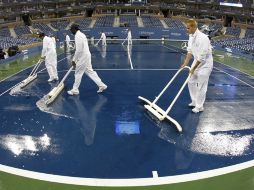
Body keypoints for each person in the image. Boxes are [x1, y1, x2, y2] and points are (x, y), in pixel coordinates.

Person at [181, 19, 213, 113]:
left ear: (194, 27)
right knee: (190, 81)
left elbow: (202, 58)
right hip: (196, 60)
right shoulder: (191, 36)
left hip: (205, 64)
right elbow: (190, 51)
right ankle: (194, 102)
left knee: (201, 85)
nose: (187, 29)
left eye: (188, 28)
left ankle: (199, 107)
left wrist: (193, 69)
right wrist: (185, 63)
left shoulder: (203, 38)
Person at [68, 24, 107, 95]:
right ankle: (102, 85)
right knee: (90, 72)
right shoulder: (82, 34)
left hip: (83, 56)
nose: (70, 31)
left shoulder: (77, 36)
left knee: (78, 73)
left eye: (71, 29)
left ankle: (75, 90)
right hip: (86, 55)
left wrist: (74, 60)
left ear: (74, 29)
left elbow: (79, 50)